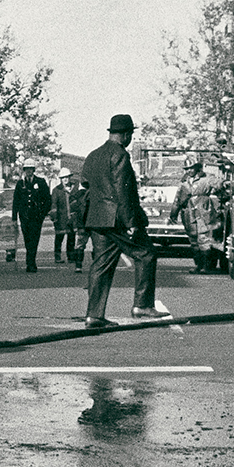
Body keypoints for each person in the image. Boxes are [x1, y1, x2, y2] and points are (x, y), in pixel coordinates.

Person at [82, 114, 160, 328]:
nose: (130, 139)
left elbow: (85, 184)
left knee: (101, 265)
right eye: (130, 135)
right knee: (146, 254)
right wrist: (131, 222)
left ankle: (94, 316)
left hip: (96, 218)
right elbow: (123, 192)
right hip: (117, 218)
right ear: (126, 134)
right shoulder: (120, 156)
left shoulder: (93, 155)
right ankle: (142, 305)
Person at [169, 160, 226, 273]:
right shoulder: (184, 182)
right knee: (193, 240)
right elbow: (177, 200)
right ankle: (198, 265)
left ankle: (206, 266)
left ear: (197, 168)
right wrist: (173, 215)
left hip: (204, 212)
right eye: (187, 169)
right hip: (189, 213)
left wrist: (224, 184)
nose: (189, 171)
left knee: (204, 239)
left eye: (191, 168)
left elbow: (219, 184)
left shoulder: (207, 178)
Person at [11, 159, 51, 273]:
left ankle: (31, 263)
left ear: (33, 170)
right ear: (24, 170)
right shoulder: (20, 183)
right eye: (26, 169)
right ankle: (30, 261)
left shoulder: (41, 182)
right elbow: (16, 202)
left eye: (30, 169)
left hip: (36, 217)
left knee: (34, 239)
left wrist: (42, 214)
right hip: (25, 217)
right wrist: (14, 218)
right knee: (27, 240)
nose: (28, 171)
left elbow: (48, 200)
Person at [52, 168, 84, 270]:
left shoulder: (75, 189)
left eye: (67, 177)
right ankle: (57, 256)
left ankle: (70, 256)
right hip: (61, 218)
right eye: (63, 178)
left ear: (70, 177)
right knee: (59, 238)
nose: (65, 179)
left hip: (73, 218)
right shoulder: (56, 190)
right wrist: (54, 217)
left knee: (71, 238)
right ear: (60, 179)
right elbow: (53, 204)